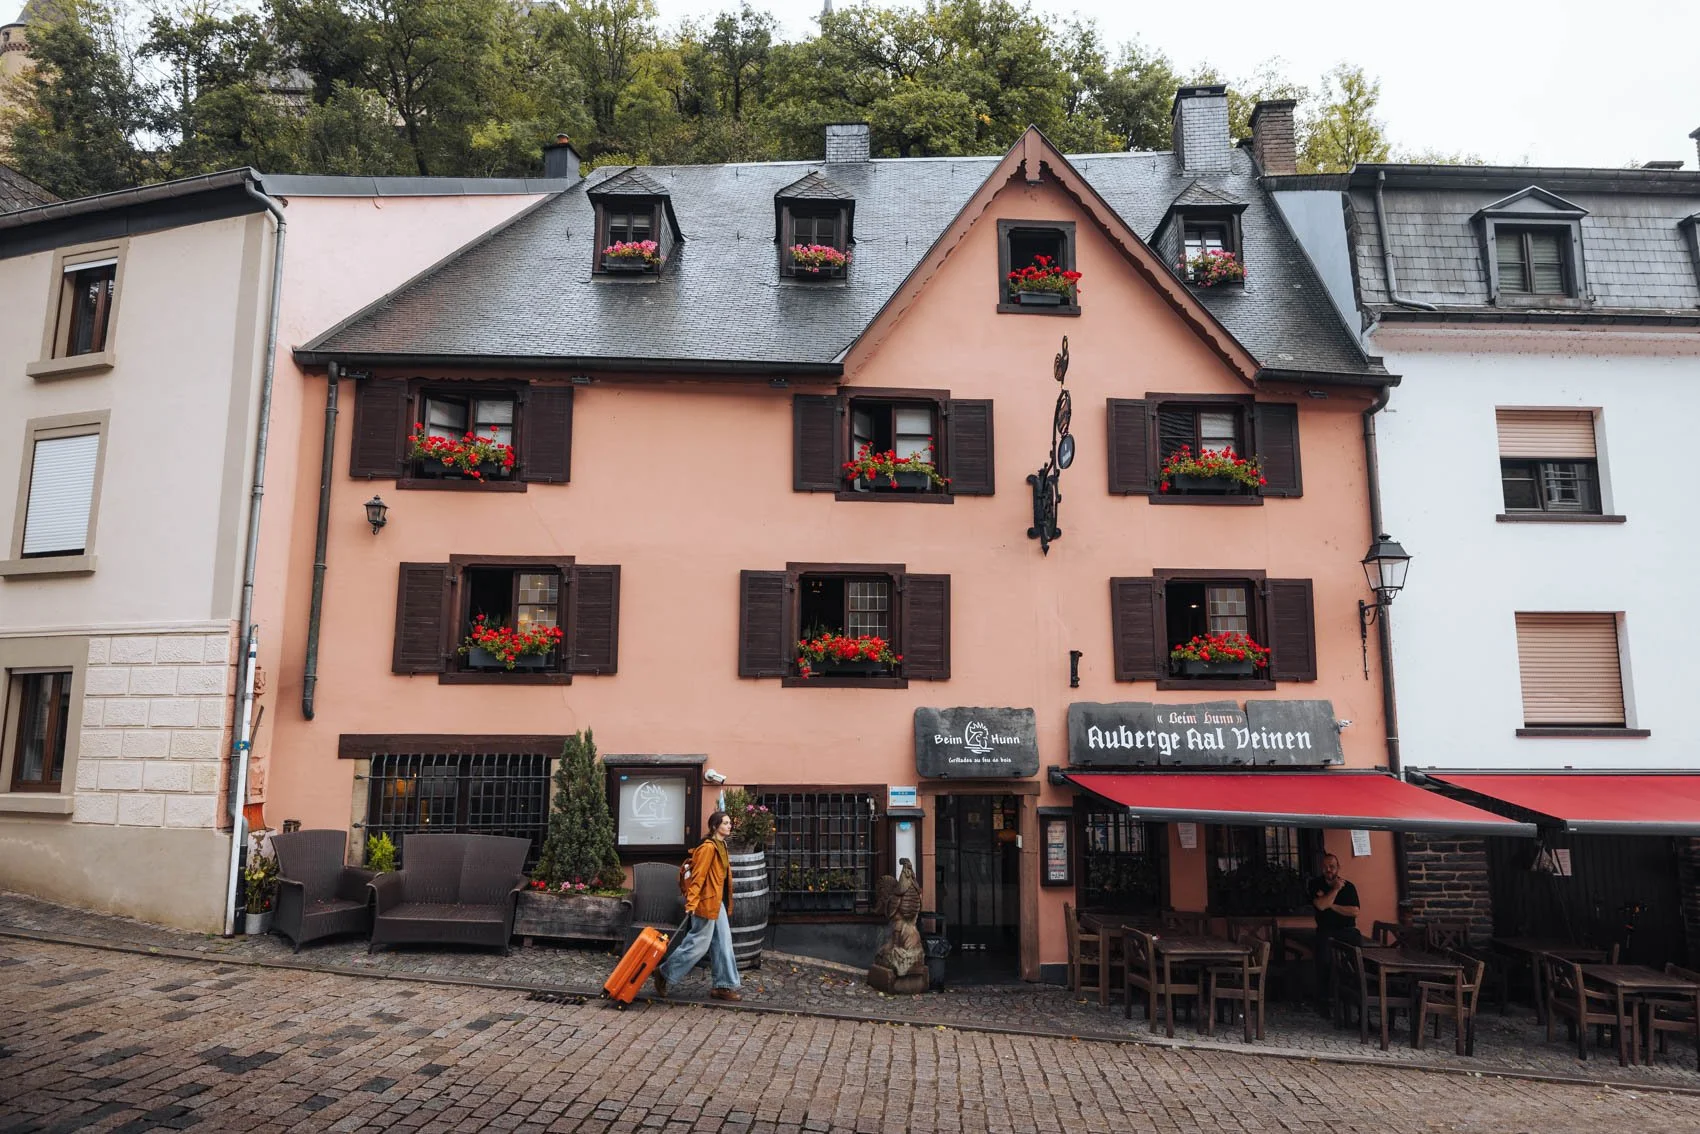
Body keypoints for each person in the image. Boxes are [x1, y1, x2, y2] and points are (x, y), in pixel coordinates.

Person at [653, 810, 742, 1002]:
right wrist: (692, 902)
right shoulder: (708, 848)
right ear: (714, 826)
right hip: (705, 902)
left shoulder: (722, 845)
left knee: (723, 943)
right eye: (725, 823)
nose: (729, 826)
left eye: (729, 823)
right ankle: (664, 973)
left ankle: (723, 986)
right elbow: (698, 877)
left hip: (716, 902)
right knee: (698, 945)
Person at [1308, 852, 1361, 1012]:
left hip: (1347, 931)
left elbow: (1354, 911)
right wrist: (1336, 891)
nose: (1328, 870)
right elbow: (1321, 906)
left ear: (1338, 868)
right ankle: (1324, 1001)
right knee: (1324, 961)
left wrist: (1331, 904)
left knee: (1356, 962)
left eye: (1331, 866)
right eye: (1325, 867)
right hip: (1326, 931)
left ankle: (1354, 998)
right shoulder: (1315, 884)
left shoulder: (1349, 887)